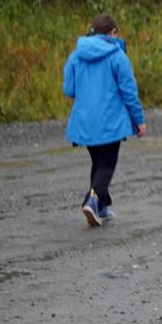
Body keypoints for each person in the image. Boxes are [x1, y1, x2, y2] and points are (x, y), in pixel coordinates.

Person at [62, 14, 146, 227]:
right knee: (107, 163)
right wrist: (139, 120)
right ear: (113, 33)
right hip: (110, 121)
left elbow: (69, 89)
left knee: (98, 162)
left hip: (84, 121)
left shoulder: (76, 56)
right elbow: (128, 91)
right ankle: (91, 200)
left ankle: (101, 206)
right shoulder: (117, 56)